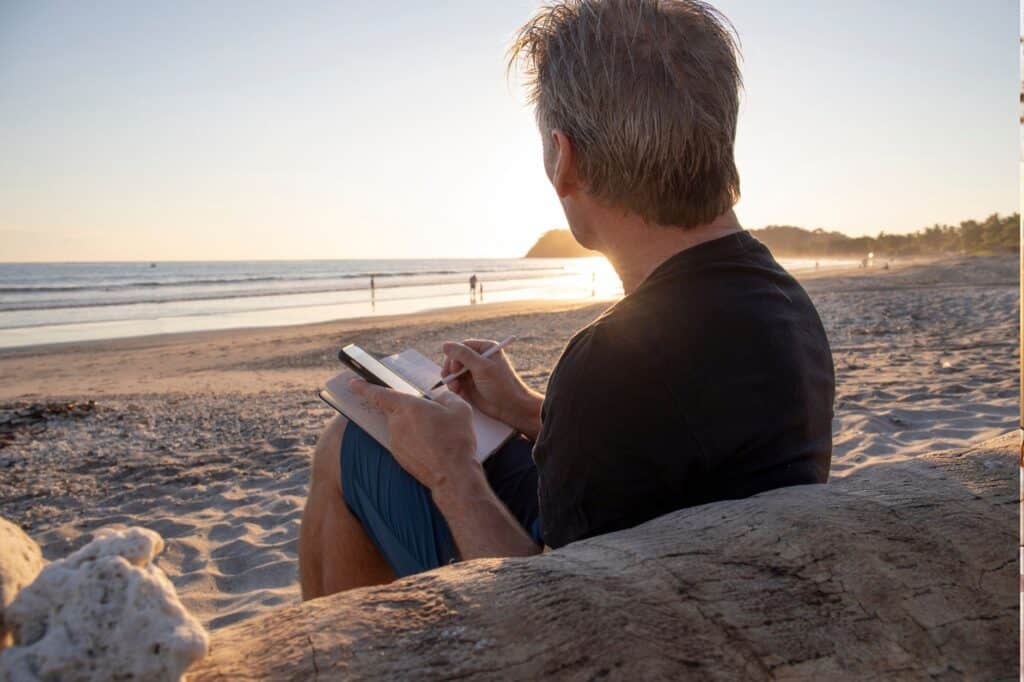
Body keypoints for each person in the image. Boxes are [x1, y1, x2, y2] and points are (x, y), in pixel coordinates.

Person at [299, 0, 835, 597]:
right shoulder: (783, 301)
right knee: (359, 438)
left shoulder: (612, 363)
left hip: (636, 608)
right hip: (704, 561)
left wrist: (453, 472)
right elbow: (675, 445)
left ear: (564, 158)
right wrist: (525, 408)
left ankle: (342, 647)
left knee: (346, 444)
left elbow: (552, 601)